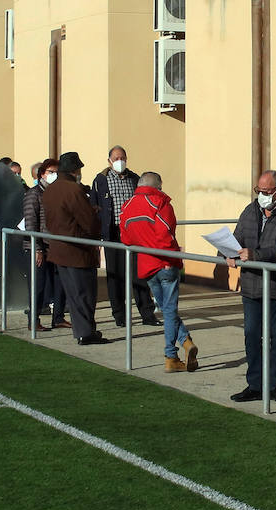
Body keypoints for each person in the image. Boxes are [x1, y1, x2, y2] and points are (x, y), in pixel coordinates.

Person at [228, 169, 276, 402]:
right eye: (258, 190)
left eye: (266, 191)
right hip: (251, 286)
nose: (261, 195)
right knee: (251, 335)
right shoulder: (251, 210)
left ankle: (273, 385)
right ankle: (255, 385)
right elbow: (237, 238)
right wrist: (227, 253)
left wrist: (256, 255)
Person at [120, 171, 197, 372]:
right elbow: (166, 235)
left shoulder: (127, 206)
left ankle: (186, 342)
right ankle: (171, 356)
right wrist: (170, 258)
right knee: (169, 310)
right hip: (165, 263)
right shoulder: (160, 203)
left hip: (146, 265)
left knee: (165, 309)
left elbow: (126, 239)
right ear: (158, 186)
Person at [91, 145, 159, 327]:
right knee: (116, 276)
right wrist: (98, 235)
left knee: (139, 274)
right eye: (116, 158)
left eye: (122, 158)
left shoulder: (135, 179)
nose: (119, 161)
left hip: (133, 234)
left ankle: (147, 314)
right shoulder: (100, 180)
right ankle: (120, 316)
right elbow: (94, 208)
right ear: (109, 161)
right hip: (112, 234)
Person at [44, 151, 106, 345]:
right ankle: (86, 333)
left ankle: (82, 331)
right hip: (78, 250)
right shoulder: (73, 190)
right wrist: (95, 216)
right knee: (84, 294)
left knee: (73, 294)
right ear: (75, 170)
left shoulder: (51, 190)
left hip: (59, 248)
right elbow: (88, 223)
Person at [23, 159, 69, 331]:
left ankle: (58, 317)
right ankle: (33, 319)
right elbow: (30, 223)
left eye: (57, 172)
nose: (54, 175)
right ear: (42, 174)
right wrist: (37, 248)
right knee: (38, 285)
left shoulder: (58, 193)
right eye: (51, 172)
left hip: (56, 245)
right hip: (39, 246)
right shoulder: (33, 194)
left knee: (60, 283)